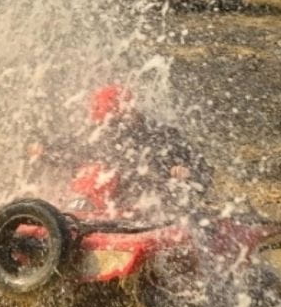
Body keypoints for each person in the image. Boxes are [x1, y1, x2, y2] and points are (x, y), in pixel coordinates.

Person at [29, 84, 213, 212]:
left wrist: (186, 173)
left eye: (116, 123)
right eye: (106, 124)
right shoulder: (95, 137)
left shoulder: (161, 138)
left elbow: (204, 171)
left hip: (142, 211)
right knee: (91, 171)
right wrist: (42, 150)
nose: (110, 130)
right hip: (95, 210)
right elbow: (66, 150)